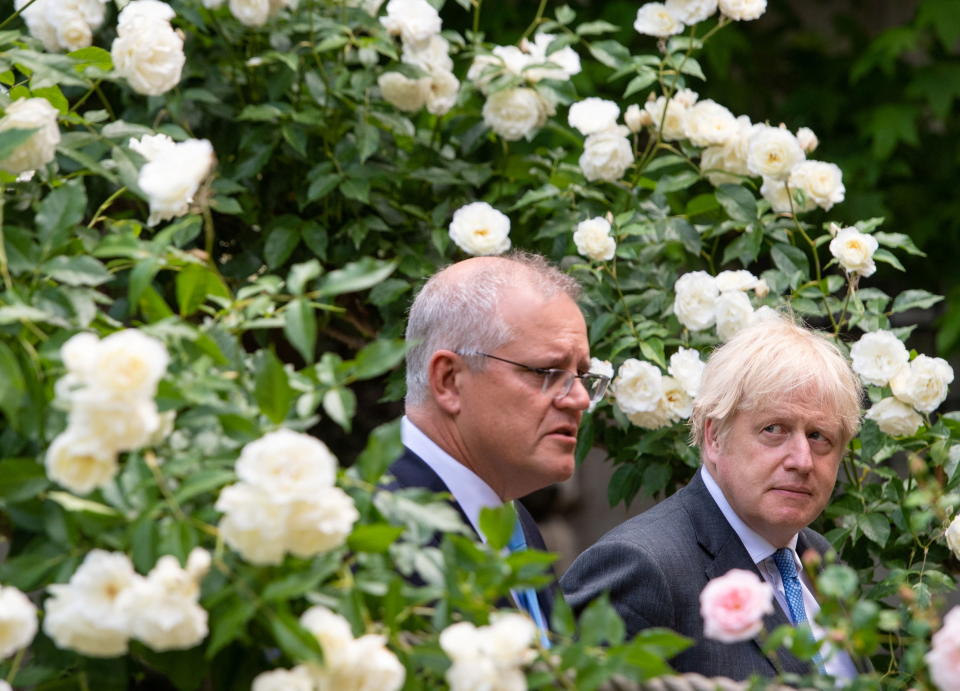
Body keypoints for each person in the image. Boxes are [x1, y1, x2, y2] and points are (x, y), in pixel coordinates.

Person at [560, 315, 863, 680]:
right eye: (774, 430)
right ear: (714, 437)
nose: (801, 460)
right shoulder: (641, 568)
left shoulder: (820, 560)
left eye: (819, 436)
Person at [388, 251, 610, 639]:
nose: (578, 399)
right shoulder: (378, 525)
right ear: (448, 380)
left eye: (582, 375)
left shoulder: (510, 516)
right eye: (546, 372)